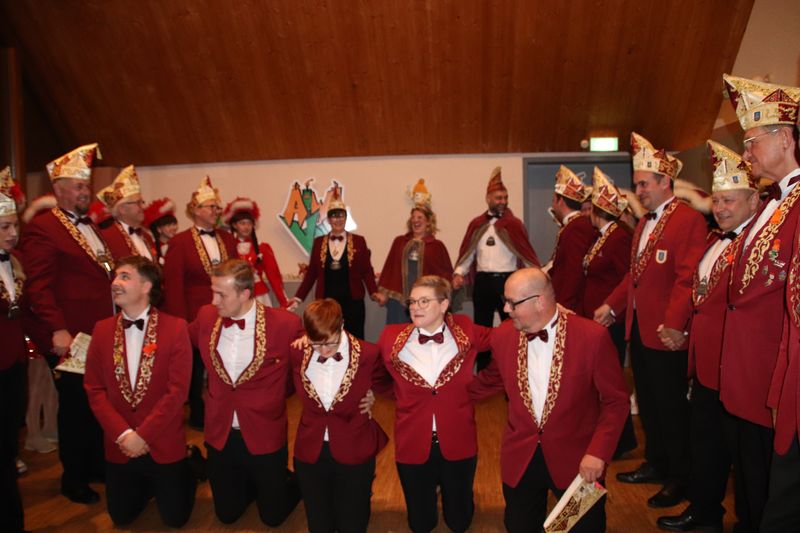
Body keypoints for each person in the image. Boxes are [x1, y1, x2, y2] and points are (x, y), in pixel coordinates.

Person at [595, 132, 707, 508]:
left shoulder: (688, 220)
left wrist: (675, 324)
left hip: (666, 333)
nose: (639, 191)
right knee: (649, 402)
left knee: (671, 407)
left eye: (644, 184)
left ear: (664, 181)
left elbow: (687, 276)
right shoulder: (644, 224)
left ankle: (680, 476)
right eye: (637, 184)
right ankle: (656, 462)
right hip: (640, 330)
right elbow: (635, 276)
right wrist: (612, 306)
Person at [470, 268, 629, 532]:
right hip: (521, 457)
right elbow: (488, 381)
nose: (506, 309)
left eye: (512, 303)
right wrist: (431, 397)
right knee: (519, 526)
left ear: (539, 301)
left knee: (581, 527)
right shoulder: (504, 336)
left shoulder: (592, 337)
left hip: (580, 461)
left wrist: (598, 453)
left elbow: (616, 401)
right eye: (505, 301)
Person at [657, 141, 760, 532]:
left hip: (738, 370)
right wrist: (683, 331)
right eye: (716, 200)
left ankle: (749, 522)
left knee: (744, 456)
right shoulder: (714, 241)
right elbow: (697, 294)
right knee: (706, 446)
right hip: (704, 367)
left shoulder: (753, 247)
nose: (720, 208)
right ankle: (704, 512)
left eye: (729, 200)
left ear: (754, 201)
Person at [718, 74, 800, 533]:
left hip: (775, 368)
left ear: (785, 138)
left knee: (776, 486)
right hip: (750, 367)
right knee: (751, 477)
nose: (746, 153)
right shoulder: (772, 202)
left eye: (752, 142)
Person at [19, 143, 113, 505]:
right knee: (75, 407)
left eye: (86, 186)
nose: (84, 192)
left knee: (95, 402)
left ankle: (94, 465)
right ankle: (73, 478)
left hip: (98, 332)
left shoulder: (91, 227)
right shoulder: (44, 228)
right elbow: (37, 286)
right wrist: (57, 329)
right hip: (71, 336)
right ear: (58, 190)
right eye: (77, 186)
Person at [83, 255, 196, 527]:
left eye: (125, 276)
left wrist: (142, 435)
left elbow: (178, 391)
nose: (115, 282)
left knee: (176, 520)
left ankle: (190, 466)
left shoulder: (176, 328)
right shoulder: (101, 330)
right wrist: (124, 435)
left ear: (146, 286)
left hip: (162, 441)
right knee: (122, 518)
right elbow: (94, 388)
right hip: (120, 444)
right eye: (116, 276)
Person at [189, 259, 301, 526]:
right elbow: (177, 341)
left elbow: (315, 361)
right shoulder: (206, 316)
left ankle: (295, 481)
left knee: (273, 518)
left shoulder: (285, 324)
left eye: (221, 294)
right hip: (221, 431)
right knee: (227, 515)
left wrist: (361, 396)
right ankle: (253, 484)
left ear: (245, 294)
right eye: (213, 292)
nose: (213, 301)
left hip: (265, 430)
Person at [376, 275, 491, 533]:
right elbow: (367, 364)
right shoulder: (391, 336)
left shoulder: (465, 329)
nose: (415, 307)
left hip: (458, 436)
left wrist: (480, 387)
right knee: (421, 524)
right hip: (413, 438)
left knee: (459, 522)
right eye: (412, 301)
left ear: (444, 304)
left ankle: (458, 501)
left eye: (424, 301)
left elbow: (505, 337)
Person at [290, 298, 388, 532]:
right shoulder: (297, 351)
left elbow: (388, 384)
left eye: (331, 343)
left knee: (352, 525)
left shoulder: (368, 354)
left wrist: (371, 395)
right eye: (317, 344)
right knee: (319, 525)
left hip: (354, 445)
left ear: (342, 325)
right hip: (311, 448)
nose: (324, 351)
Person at [162, 176, 237, 429]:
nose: (216, 211)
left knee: (226, 364)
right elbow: (173, 285)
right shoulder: (180, 242)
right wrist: (180, 322)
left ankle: (226, 410)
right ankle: (198, 413)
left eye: (217, 207)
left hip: (227, 315)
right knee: (195, 368)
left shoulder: (228, 239)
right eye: (211, 207)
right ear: (195, 210)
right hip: (195, 317)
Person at [452, 167, 540, 368]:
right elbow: (468, 254)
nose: (503, 201)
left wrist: (536, 276)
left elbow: (524, 253)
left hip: (508, 282)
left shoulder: (514, 224)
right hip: (483, 282)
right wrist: (458, 273)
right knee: (481, 327)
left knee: (513, 324)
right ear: (488, 198)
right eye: (498, 197)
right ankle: (483, 370)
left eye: (505, 197)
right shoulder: (477, 224)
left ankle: (514, 366)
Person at [581, 166, 637, 457]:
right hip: (597, 322)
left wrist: (612, 308)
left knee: (611, 383)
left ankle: (621, 440)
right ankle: (612, 438)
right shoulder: (602, 236)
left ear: (597, 210)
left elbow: (629, 277)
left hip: (610, 321)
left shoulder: (618, 237)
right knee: (602, 381)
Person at [290, 186, 386, 339]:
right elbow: (312, 274)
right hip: (326, 304)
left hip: (353, 303)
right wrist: (297, 298)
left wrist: (374, 292)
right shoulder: (318, 242)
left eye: (341, 215)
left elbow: (366, 270)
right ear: (329, 219)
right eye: (334, 216)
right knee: (327, 338)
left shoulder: (359, 241)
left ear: (345, 218)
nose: (338, 219)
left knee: (354, 340)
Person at [0, 167, 29, 533]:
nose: (13, 233)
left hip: (13, 365)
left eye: (14, 225)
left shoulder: (15, 261)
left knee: (8, 449)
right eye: (5, 227)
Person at [20, 194, 59, 455]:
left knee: (49, 381)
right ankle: (33, 433)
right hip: (31, 325)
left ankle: (50, 427)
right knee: (36, 382)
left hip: (45, 324)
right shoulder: (27, 252)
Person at [378, 203, 452, 324]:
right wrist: (383, 293)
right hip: (399, 302)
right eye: (413, 217)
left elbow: (443, 274)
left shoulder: (437, 246)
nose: (415, 220)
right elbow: (389, 268)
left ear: (428, 222)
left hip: (425, 302)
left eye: (420, 217)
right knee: (398, 332)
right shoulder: (399, 242)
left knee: (422, 332)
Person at [222, 196, 289, 308]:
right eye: (242, 223)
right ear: (234, 225)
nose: (246, 227)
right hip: (235, 295)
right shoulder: (226, 247)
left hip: (258, 296)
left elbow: (274, 277)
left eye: (249, 223)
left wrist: (284, 302)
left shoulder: (262, 247)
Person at [548, 165, 597, 311]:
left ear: (560, 201)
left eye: (553, 200)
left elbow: (574, 271)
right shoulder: (573, 225)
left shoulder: (576, 227)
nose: (552, 206)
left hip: (571, 306)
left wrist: (564, 307)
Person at [98, 165, 156, 261]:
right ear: (122, 209)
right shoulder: (107, 236)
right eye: (137, 203)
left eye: (141, 202)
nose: (143, 206)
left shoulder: (147, 237)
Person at [143, 197, 178, 265]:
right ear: (159, 229)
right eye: (168, 225)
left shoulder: (178, 243)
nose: (173, 228)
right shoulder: (151, 247)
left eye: (174, 224)